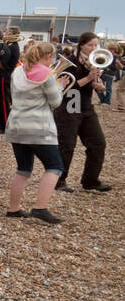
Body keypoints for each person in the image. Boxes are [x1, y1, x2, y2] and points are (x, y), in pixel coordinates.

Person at [5, 41, 65, 223]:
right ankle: (40, 207)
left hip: (16, 125)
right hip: (39, 128)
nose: (52, 61)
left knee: (23, 169)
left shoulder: (18, 71)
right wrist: (60, 85)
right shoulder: (48, 74)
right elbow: (55, 102)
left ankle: (14, 209)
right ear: (47, 57)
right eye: (52, 57)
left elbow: (13, 94)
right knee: (55, 167)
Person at [53, 31, 111, 193]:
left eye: (95, 45)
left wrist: (99, 85)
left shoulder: (93, 64)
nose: (93, 48)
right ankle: (59, 180)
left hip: (86, 108)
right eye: (90, 45)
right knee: (67, 146)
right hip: (68, 108)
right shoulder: (69, 62)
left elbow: (97, 87)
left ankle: (90, 180)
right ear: (81, 46)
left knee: (98, 143)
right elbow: (64, 86)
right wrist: (89, 77)